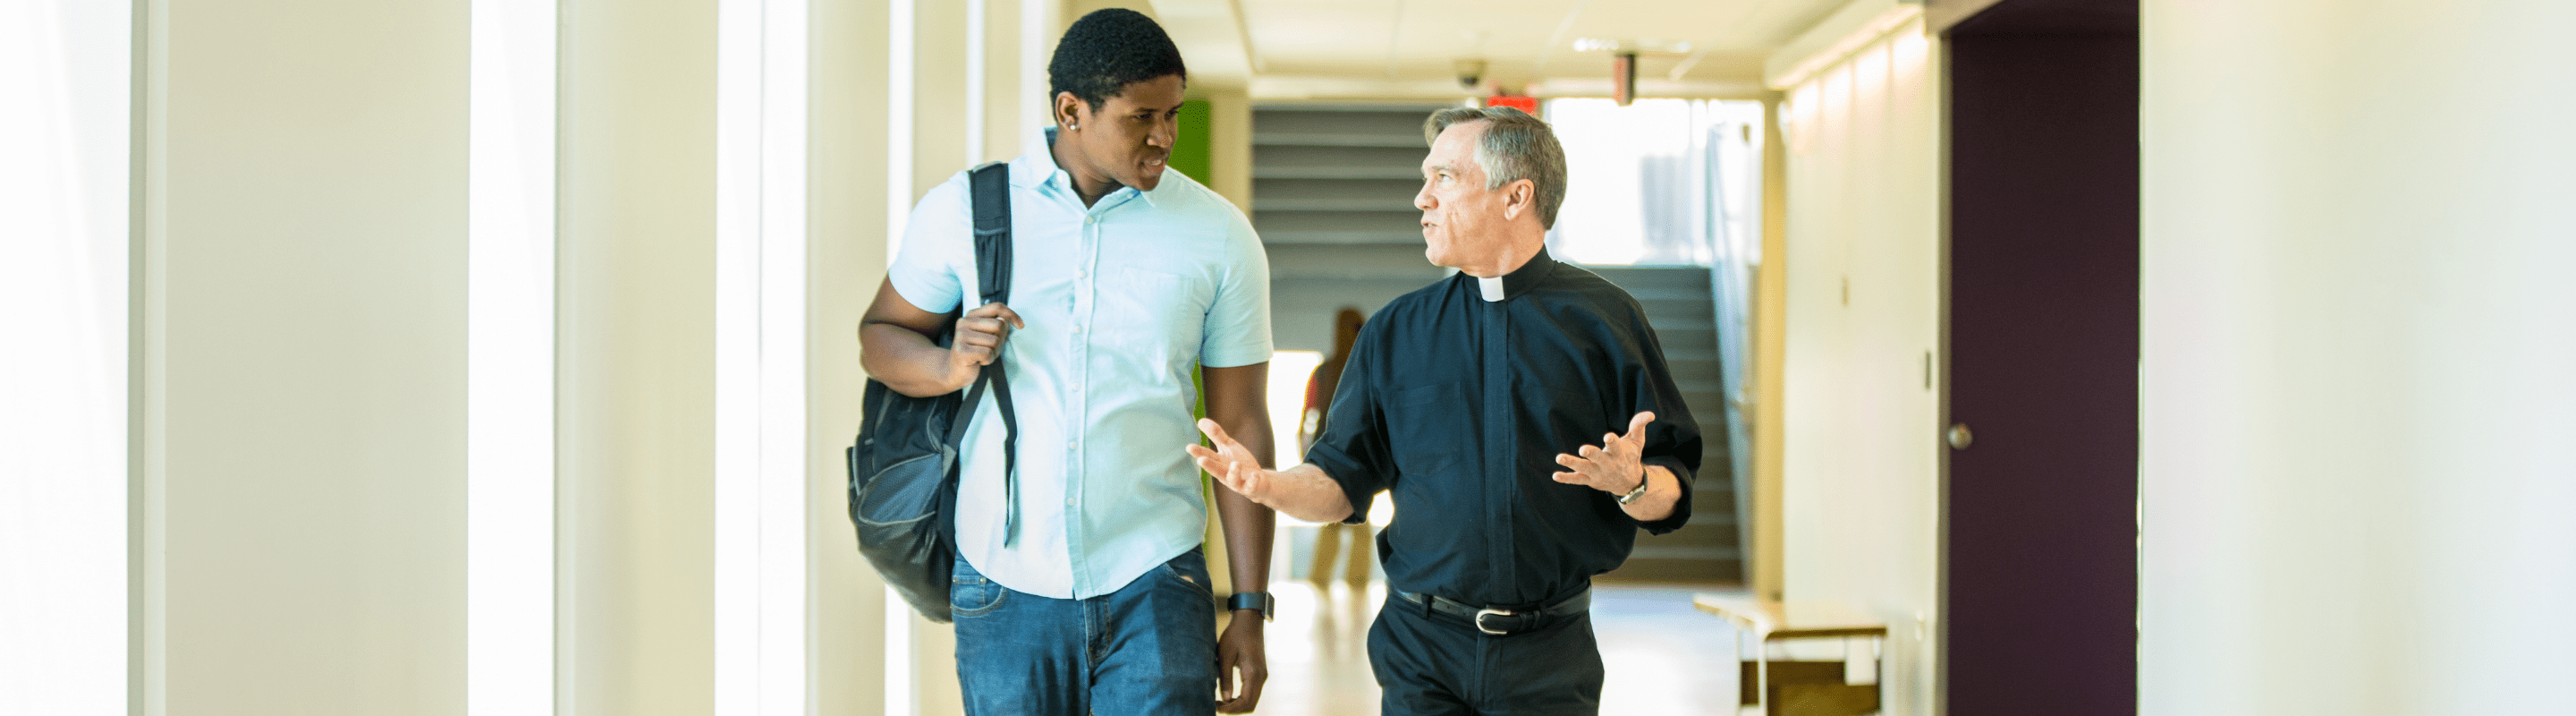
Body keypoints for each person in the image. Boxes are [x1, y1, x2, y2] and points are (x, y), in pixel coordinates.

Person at [1186, 106, 1699, 716]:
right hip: (1420, 648)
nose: (1421, 198)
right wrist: (1271, 487)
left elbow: (1673, 486)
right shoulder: (1395, 333)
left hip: (1552, 657)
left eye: (1445, 179)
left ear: (1515, 197)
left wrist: (1634, 483)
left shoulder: (1609, 322)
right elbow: (1342, 481)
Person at [860, 9, 1275, 715]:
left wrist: (1249, 607)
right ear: (1071, 111)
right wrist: (948, 367)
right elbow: (881, 336)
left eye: (1174, 114)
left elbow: (1240, 423)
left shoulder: (1218, 235)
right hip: (1002, 580)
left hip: (1157, 578)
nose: (1165, 137)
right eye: (1143, 116)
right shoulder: (964, 209)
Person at [1301, 307, 1375, 591]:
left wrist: (1305, 452)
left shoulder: (1328, 370)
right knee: (1352, 524)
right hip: (1350, 456)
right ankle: (1352, 583)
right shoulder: (1358, 368)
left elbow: (1307, 416)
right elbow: (1308, 415)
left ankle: (1324, 581)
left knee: (1336, 522)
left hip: (1332, 455)